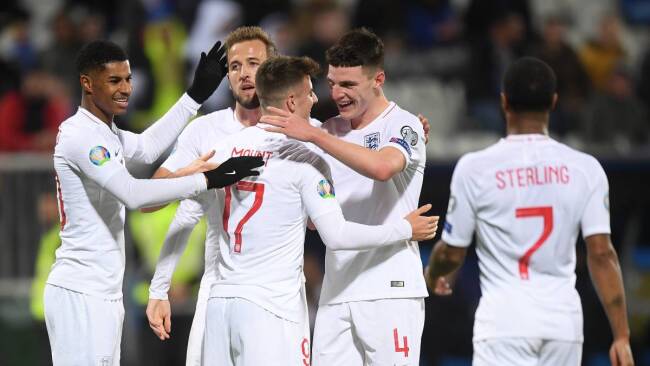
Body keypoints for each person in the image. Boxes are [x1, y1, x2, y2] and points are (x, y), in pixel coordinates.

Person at [201, 55, 437, 366]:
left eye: (346, 84)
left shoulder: (227, 147)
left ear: (377, 80)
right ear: (290, 101)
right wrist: (405, 229)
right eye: (324, 87)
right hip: (275, 306)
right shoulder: (309, 151)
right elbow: (334, 232)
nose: (325, 96)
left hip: (224, 299)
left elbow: (156, 193)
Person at [44, 39, 262, 366]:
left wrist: (194, 97)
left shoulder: (108, 133)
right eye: (114, 80)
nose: (126, 89)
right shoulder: (81, 137)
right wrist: (206, 180)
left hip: (101, 290)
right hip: (80, 290)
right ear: (87, 84)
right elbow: (133, 194)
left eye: (128, 79)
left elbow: (147, 147)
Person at [424, 57, 635, 366]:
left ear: (504, 102)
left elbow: (452, 254)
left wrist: (432, 274)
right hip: (562, 327)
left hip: (503, 325)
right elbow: (602, 255)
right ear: (553, 102)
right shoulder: (585, 169)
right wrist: (621, 335)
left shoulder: (475, 168)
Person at [261, 28, 429, 365]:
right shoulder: (328, 131)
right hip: (336, 290)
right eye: (333, 83)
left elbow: (382, 167)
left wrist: (312, 135)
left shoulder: (403, 125)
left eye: (349, 85)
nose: (338, 94)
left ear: (378, 79)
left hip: (389, 288)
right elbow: (313, 217)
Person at [144, 26, 281, 365]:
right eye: (235, 66)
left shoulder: (298, 132)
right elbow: (151, 200)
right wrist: (159, 289)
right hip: (218, 287)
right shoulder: (205, 131)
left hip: (279, 293)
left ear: (272, 69)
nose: (244, 73)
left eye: (254, 63)